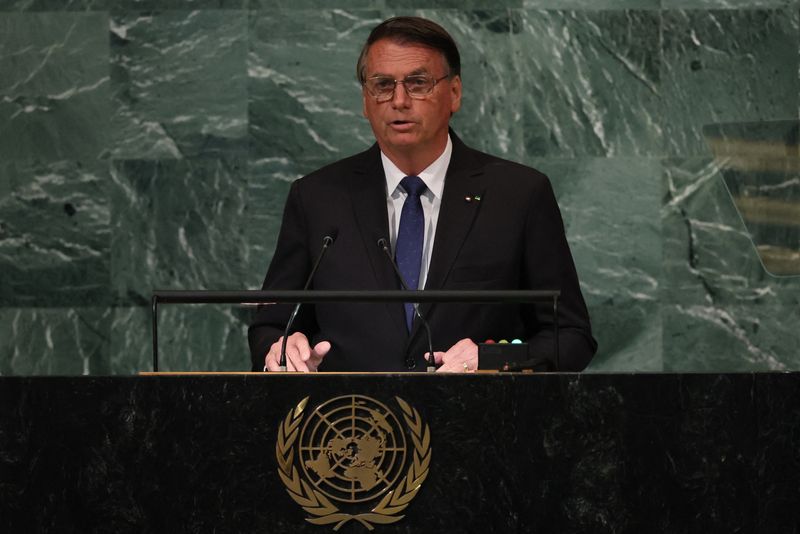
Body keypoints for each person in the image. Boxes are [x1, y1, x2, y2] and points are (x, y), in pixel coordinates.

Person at [248, 16, 596, 373]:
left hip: (480, 420)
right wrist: (284, 348)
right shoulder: (318, 198)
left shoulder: (519, 195)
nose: (399, 100)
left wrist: (492, 359)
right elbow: (271, 326)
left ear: (455, 93)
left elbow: (570, 336)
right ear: (365, 101)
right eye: (382, 85)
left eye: (418, 83)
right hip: (354, 422)